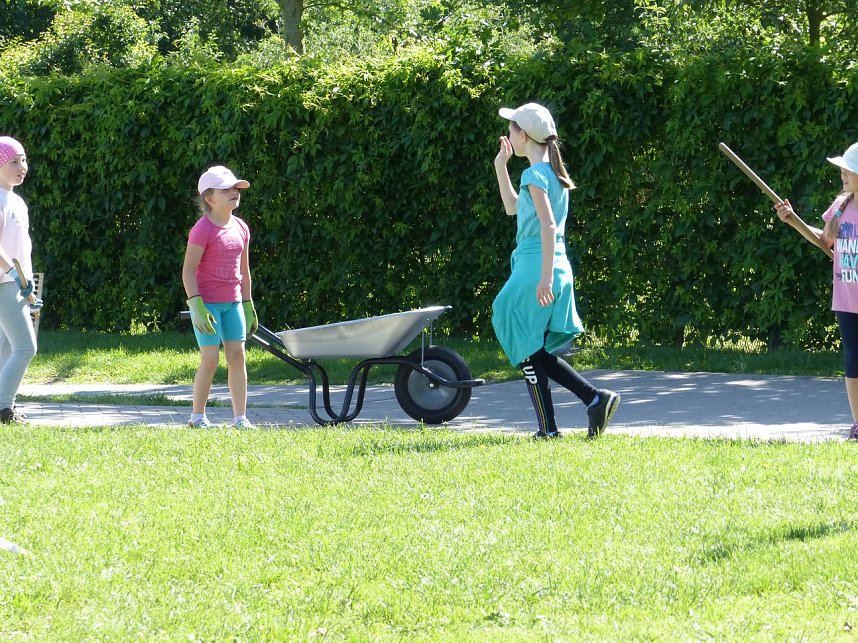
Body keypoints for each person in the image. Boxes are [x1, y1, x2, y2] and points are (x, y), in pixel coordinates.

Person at [492, 103, 620, 439]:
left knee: (509, 320)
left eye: (512, 128)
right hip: (553, 263)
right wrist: (500, 166)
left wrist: (545, 277)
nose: (508, 134)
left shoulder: (534, 175)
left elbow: (548, 226)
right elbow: (511, 208)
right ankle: (594, 399)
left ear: (523, 135)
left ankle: (549, 429)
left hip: (539, 265)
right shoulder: (552, 175)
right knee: (534, 347)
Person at [776, 141, 858, 441]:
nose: (843, 174)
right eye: (843, 169)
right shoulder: (840, 207)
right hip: (847, 300)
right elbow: (826, 242)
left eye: (849, 170)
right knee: (853, 361)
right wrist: (793, 220)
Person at [182, 165, 258, 429]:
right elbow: (188, 270)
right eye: (226, 189)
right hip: (207, 305)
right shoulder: (202, 230)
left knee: (237, 357)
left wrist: (247, 304)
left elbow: (244, 271)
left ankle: (240, 418)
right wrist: (196, 305)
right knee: (211, 359)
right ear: (209, 198)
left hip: (234, 303)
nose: (234, 192)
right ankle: (197, 417)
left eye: (236, 188)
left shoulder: (241, 228)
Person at [0, 136, 39, 425]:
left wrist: (27, 283)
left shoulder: (16, 201)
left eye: (23, 159)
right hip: (3, 283)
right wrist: (14, 275)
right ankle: (4, 409)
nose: (21, 166)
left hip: (14, 283)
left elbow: (20, 247)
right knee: (26, 347)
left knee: (5, 347)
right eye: (13, 161)